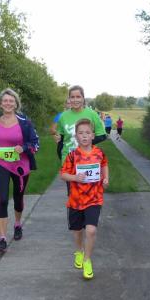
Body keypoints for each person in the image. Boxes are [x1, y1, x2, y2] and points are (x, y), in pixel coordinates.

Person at [0, 88, 40, 253]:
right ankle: (2, 238)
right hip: (1, 163)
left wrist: (23, 148)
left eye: (11, 101)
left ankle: (17, 224)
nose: (8, 103)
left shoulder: (25, 122)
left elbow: (35, 143)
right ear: (0, 104)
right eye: (5, 101)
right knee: (2, 199)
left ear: (16, 104)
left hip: (20, 165)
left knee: (18, 197)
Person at [60, 118, 109, 280]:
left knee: (91, 230)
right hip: (76, 200)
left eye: (87, 132)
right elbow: (63, 175)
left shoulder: (99, 153)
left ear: (93, 135)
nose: (84, 136)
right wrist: (75, 177)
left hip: (94, 198)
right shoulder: (72, 155)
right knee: (77, 231)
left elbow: (104, 164)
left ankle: (87, 260)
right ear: (76, 136)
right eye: (81, 133)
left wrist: (106, 178)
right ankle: (79, 251)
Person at [55, 85, 106, 162]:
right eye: (72, 97)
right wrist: (61, 156)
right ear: (69, 98)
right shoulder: (63, 116)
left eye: (78, 97)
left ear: (83, 98)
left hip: (87, 159)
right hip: (68, 159)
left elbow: (102, 136)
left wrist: (84, 142)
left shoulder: (92, 114)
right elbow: (61, 139)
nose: (75, 100)